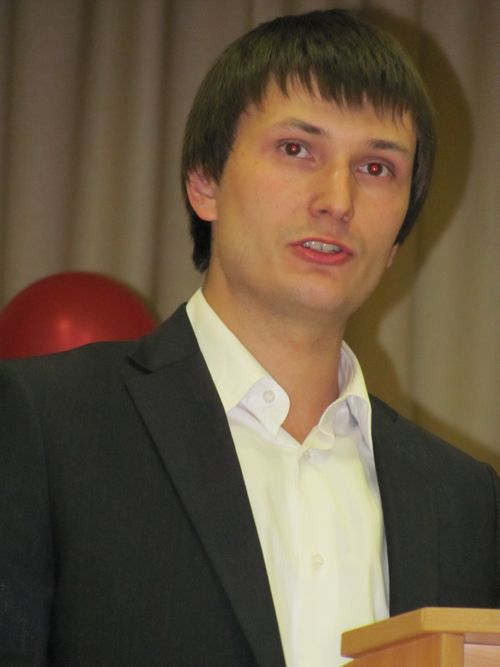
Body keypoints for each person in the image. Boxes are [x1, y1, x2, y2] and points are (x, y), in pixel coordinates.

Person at [1, 9, 498, 667]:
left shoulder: (465, 500)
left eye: (377, 168)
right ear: (204, 183)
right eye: (296, 150)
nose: (337, 200)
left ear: (399, 236)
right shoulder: (41, 424)